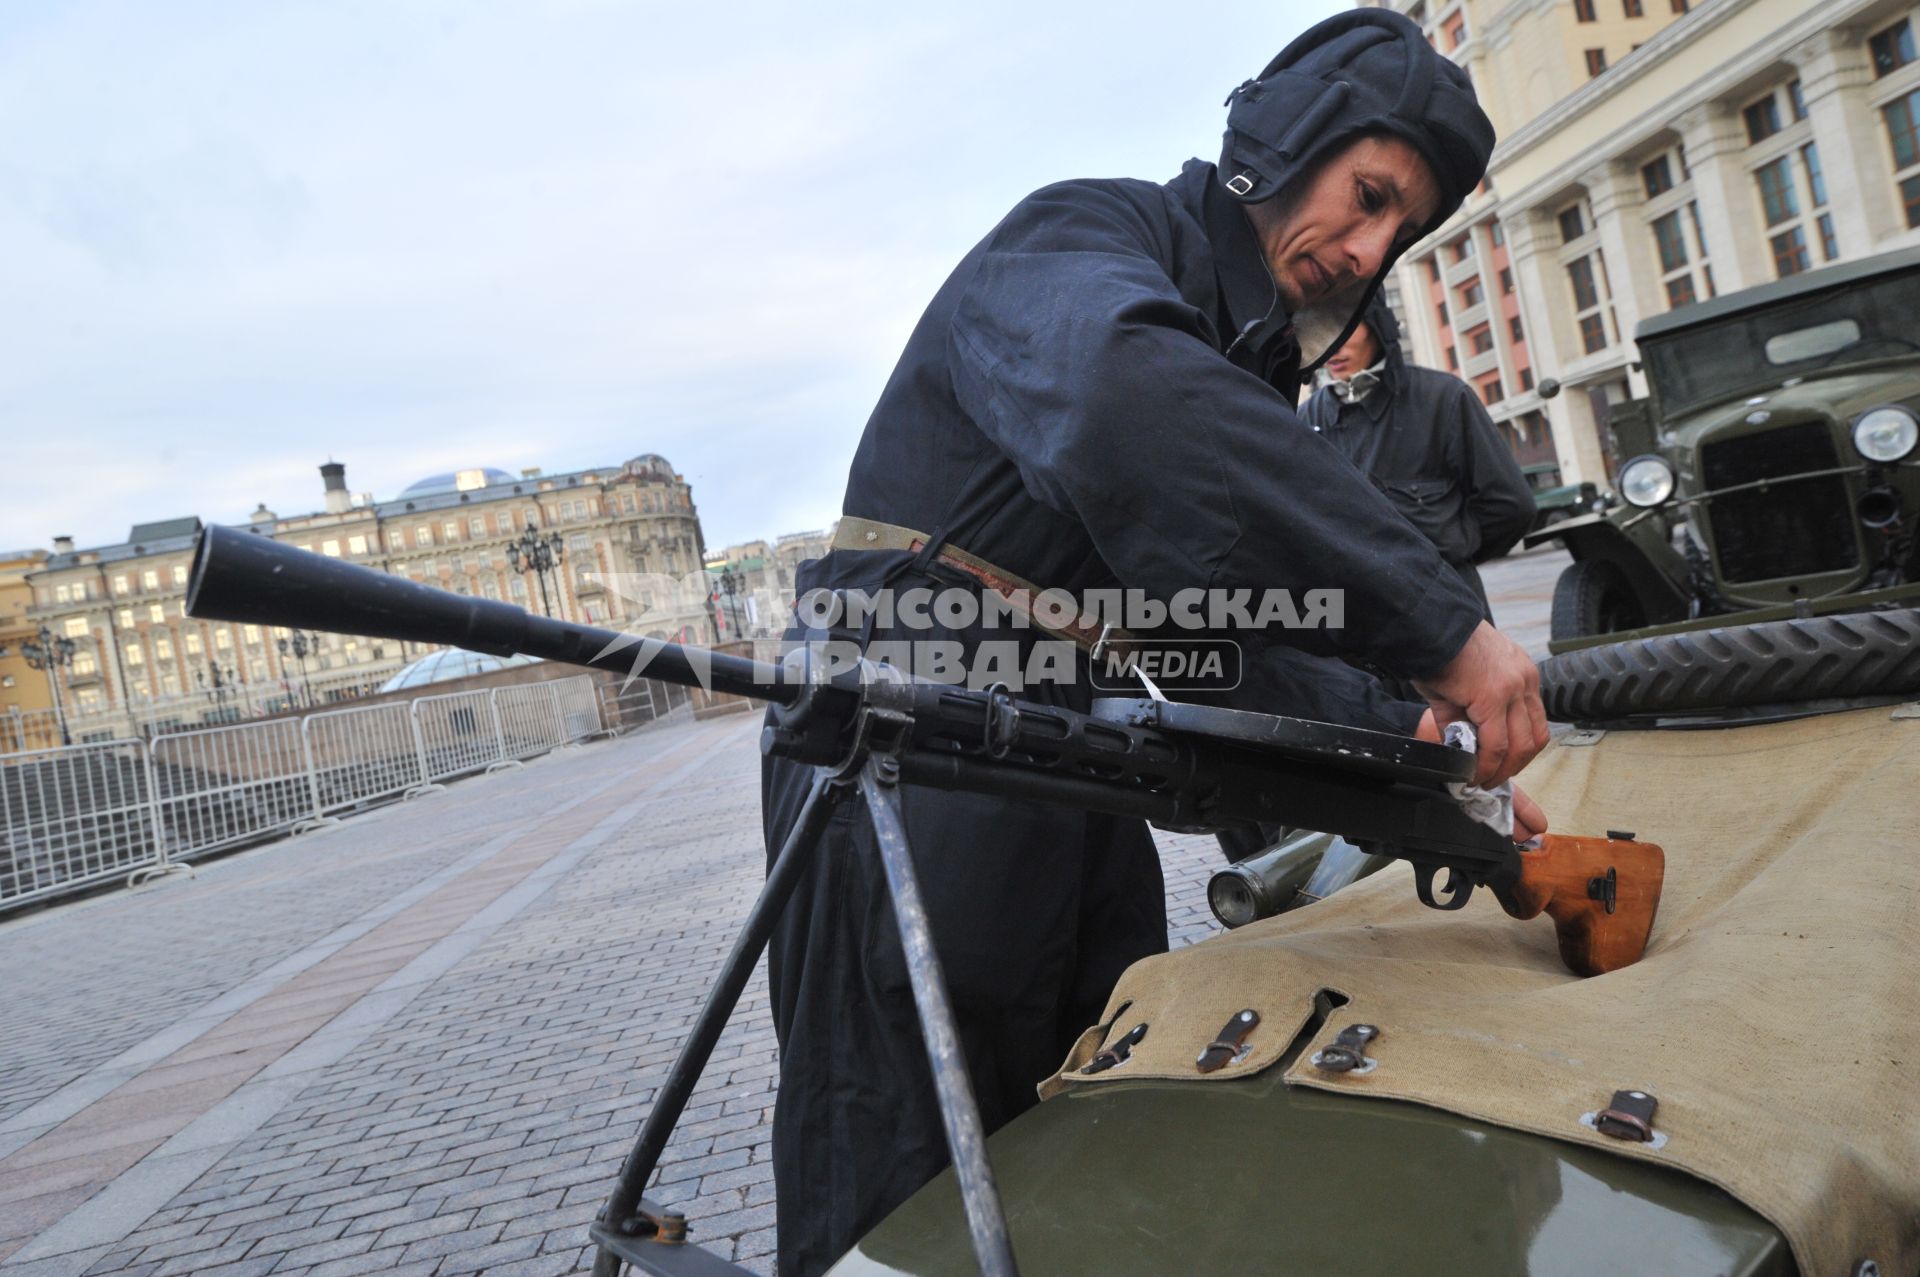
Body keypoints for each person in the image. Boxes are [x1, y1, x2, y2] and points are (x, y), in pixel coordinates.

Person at [759, 12, 1549, 1274]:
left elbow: (1199, 631)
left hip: (1053, 744)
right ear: (1290, 138)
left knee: (1096, 1113)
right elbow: (1124, 403)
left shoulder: (1224, 358)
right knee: (907, 1165)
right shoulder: (1081, 239)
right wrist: (1442, 626)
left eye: (1400, 231)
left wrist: (1411, 750)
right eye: (1367, 196)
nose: (1365, 250)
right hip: (907, 723)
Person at [1303, 297, 1537, 615]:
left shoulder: (1443, 399)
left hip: (1449, 613)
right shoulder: (1305, 420)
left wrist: (1451, 559)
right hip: (1358, 626)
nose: (1332, 343)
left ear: (1377, 326)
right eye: (1320, 329)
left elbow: (1512, 506)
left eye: (1346, 326)